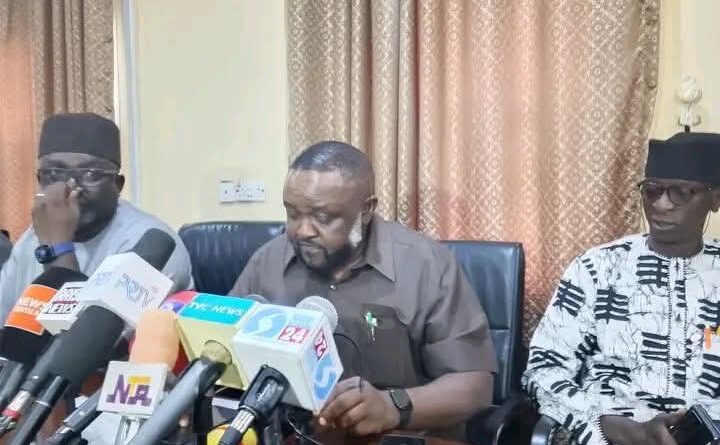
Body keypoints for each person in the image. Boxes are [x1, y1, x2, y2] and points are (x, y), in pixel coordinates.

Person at [230, 141, 496, 440]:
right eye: (292, 214)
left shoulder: (426, 265)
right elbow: (224, 353)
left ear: (366, 210)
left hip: (396, 438)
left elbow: (474, 384)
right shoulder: (268, 261)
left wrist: (393, 406)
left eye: (323, 217)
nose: (303, 230)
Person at [523, 132, 720, 445]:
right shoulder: (597, 269)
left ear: (715, 199)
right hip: (609, 433)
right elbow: (543, 370)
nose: (661, 205)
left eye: (681, 193)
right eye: (652, 191)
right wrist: (606, 424)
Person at [0, 113, 193, 323]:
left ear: (118, 185)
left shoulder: (154, 246)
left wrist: (57, 248)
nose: (71, 187)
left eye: (90, 174)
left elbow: (85, 337)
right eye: (54, 174)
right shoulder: (32, 237)